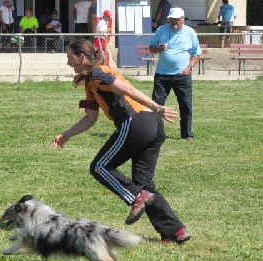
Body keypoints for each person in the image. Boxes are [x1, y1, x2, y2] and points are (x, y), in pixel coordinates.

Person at [53, 39, 191, 244]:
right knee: (144, 185)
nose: (68, 63)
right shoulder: (92, 80)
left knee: (99, 167)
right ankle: (174, 230)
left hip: (137, 121)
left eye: (70, 58)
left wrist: (157, 107)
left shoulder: (99, 73)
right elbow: (91, 118)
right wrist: (67, 134)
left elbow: (128, 90)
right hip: (152, 125)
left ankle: (136, 197)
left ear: (82, 58)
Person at [149, 7, 201, 141]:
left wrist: (189, 67)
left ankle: (187, 134)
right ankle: (154, 133)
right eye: (171, 19)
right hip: (162, 75)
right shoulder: (161, 30)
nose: (173, 22)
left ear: (183, 19)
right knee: (156, 105)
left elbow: (196, 53)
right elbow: (151, 47)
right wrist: (159, 48)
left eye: (176, 19)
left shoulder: (190, 32)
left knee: (185, 105)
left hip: (182, 75)